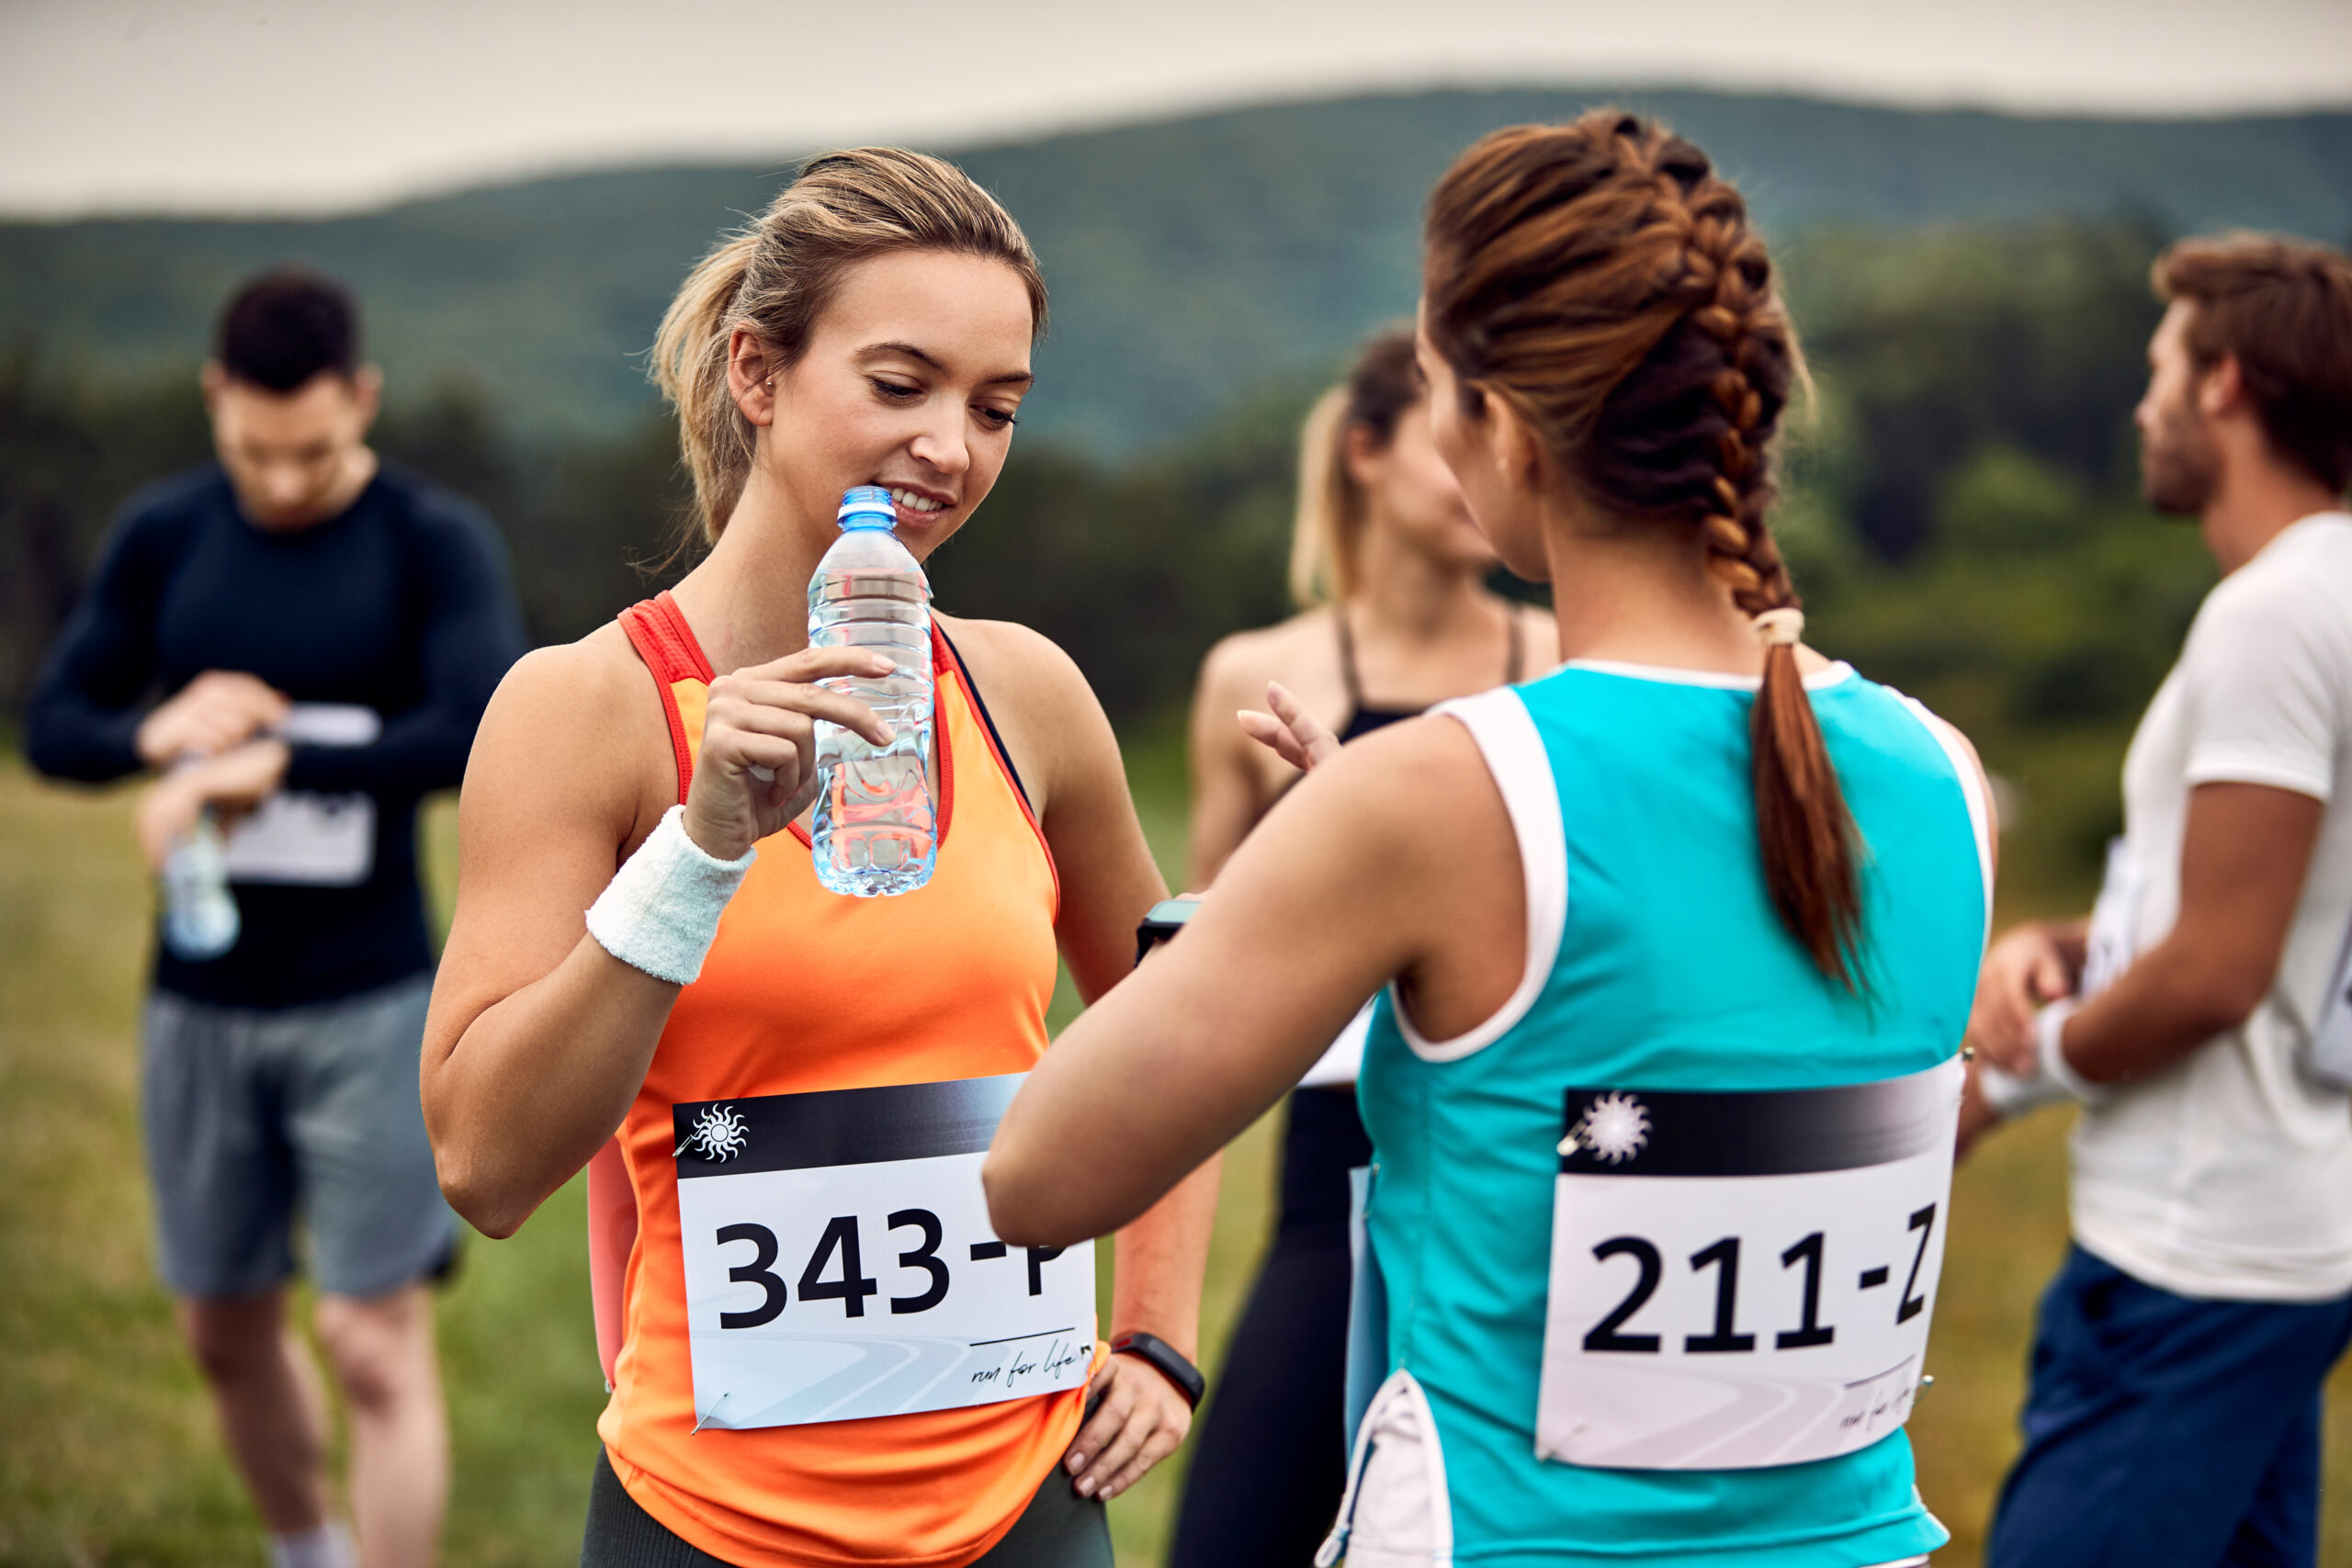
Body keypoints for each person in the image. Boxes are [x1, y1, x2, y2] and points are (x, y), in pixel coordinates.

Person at [986, 110, 1996, 1568]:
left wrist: (1328, 881)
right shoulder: (1941, 776)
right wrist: (1398, 878)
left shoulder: (1430, 804)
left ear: (1507, 433)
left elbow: (1038, 1177)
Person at [419, 148, 1213, 1568]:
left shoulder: (1024, 692)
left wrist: (1158, 1332)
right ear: (758, 373)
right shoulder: (585, 711)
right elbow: (483, 1163)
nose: (953, 448)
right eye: (900, 386)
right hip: (713, 1525)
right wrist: (701, 847)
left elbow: (1181, 1021)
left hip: (1025, 1513)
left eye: (997, 407)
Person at [24, 268, 526, 1568]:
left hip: (371, 998)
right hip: (199, 1000)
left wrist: (280, 760)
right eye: (256, 452)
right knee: (223, 1330)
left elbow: (478, 734)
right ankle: (308, 1552)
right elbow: (55, 729)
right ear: (215, 402)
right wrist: (155, 732)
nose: (287, 483)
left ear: (361, 399)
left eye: (313, 452)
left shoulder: (432, 540)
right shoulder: (168, 533)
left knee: (370, 1335)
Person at [1964, 234, 2352, 1568]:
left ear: (2228, 384)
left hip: (2192, 1260)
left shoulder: (2276, 616)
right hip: (2287, 1242)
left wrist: (2020, 1071)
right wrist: (2063, 944)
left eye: (2159, 373)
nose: (2142, 407)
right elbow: (2288, 906)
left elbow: (2217, 971)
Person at [1171, 325, 1555, 1568]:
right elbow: (1199, 956)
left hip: (1526, 1138)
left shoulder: (1560, 660)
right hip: (1335, 1163)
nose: (1486, 460)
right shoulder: (1261, 672)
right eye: (1462, 427)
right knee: (1234, 1537)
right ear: (1367, 452)